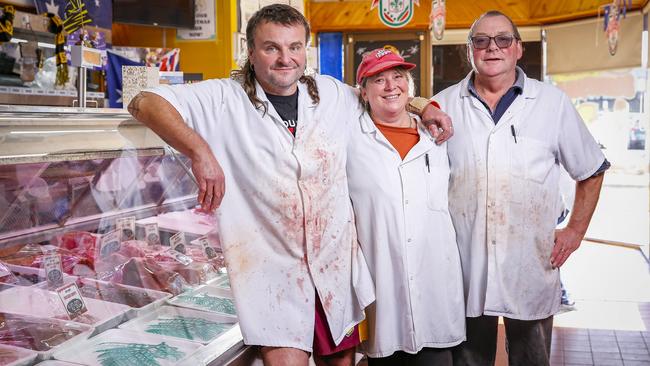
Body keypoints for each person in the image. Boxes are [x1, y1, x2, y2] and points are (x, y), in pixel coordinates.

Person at [127, 4, 451, 366]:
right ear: (250, 53)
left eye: (294, 47)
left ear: (305, 51)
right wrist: (199, 150)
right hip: (272, 271)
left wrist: (426, 107)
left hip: (334, 265)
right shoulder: (222, 98)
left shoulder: (330, 94)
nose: (285, 58)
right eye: (272, 48)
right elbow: (143, 101)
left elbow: (382, 96)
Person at [433, 10, 609, 366]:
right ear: (470, 51)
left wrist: (575, 230)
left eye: (502, 40)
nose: (491, 48)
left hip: (531, 262)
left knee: (532, 359)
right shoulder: (444, 105)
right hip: (465, 265)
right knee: (468, 361)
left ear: (518, 49)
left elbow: (591, 169)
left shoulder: (551, 103)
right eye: (480, 41)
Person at [346, 47, 465, 366]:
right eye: (378, 79)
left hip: (435, 288)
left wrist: (426, 106)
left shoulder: (436, 133)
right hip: (383, 290)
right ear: (363, 92)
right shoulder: (351, 138)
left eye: (398, 76)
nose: (390, 86)